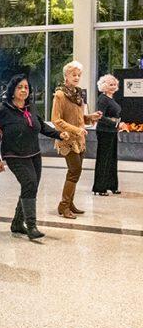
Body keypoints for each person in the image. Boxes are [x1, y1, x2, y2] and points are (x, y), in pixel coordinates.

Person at [0, 75, 69, 239]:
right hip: (13, 155)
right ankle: (31, 225)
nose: (23, 90)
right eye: (20, 87)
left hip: (34, 154)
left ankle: (17, 223)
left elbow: (42, 127)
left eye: (26, 87)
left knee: (30, 187)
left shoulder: (31, 108)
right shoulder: (2, 111)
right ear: (12, 90)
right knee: (29, 182)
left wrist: (59, 134)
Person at [51, 61, 102, 219]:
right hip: (67, 139)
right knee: (74, 171)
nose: (77, 77)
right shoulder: (60, 95)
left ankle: (69, 203)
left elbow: (78, 118)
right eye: (74, 74)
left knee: (75, 172)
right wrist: (76, 129)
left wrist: (90, 117)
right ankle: (64, 205)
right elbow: (56, 120)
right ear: (66, 75)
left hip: (80, 139)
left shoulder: (79, 94)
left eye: (79, 75)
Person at [92, 74, 128, 195]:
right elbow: (100, 117)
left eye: (114, 84)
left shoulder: (111, 98)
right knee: (104, 159)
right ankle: (100, 187)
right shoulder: (102, 99)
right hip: (104, 131)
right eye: (110, 84)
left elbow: (114, 116)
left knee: (112, 159)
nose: (113, 87)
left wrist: (118, 123)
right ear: (104, 86)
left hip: (112, 131)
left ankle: (112, 185)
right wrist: (117, 124)